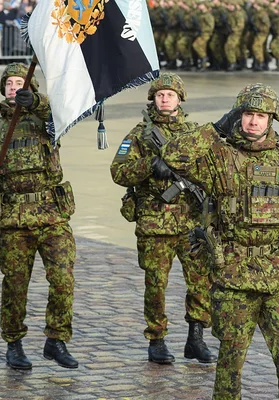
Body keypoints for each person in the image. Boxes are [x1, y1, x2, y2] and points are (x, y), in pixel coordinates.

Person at [161, 83, 279, 399]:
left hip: (278, 278)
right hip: (234, 278)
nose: (253, 121)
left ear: (271, 119)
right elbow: (172, 156)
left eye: (260, 116)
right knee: (230, 364)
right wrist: (215, 129)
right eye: (247, 114)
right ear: (237, 116)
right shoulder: (219, 158)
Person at [0, 63, 79, 370]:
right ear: (3, 90)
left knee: (63, 279)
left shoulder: (47, 123)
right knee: (15, 285)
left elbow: (63, 114)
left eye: (20, 82)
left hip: (52, 216)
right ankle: (14, 343)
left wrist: (38, 103)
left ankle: (56, 339)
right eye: (9, 83)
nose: (15, 87)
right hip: (15, 219)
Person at [110, 73, 216, 365]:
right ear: (153, 99)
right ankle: (156, 340)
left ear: (180, 99)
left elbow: (213, 170)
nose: (165, 99)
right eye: (160, 95)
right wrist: (149, 165)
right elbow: (118, 172)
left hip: (191, 223)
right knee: (156, 285)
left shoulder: (194, 134)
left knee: (201, 281)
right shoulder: (139, 134)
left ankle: (196, 338)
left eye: (170, 95)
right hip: (155, 224)